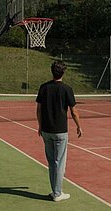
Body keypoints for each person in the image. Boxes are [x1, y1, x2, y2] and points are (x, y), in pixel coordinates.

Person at [36, 61, 83, 202]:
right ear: (63, 72)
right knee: (59, 162)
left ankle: (55, 191)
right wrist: (79, 126)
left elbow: (38, 110)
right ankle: (57, 193)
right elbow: (74, 111)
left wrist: (40, 125)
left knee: (52, 162)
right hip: (60, 132)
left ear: (52, 72)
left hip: (46, 131)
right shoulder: (67, 89)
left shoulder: (43, 87)